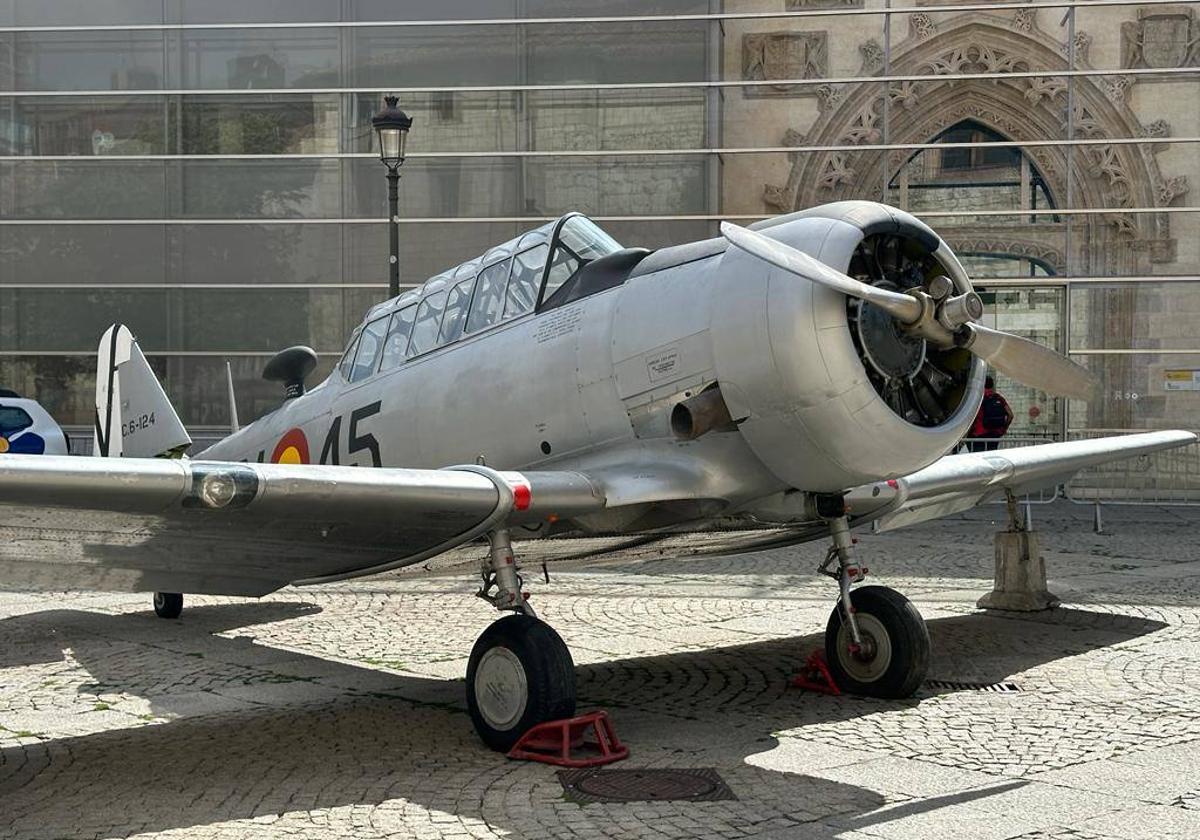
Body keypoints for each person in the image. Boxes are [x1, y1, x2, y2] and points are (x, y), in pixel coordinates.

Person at [967, 375, 1014, 452]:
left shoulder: (978, 398)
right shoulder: (998, 398)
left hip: (979, 434)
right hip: (994, 434)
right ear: (992, 385)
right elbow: (1011, 415)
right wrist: (1003, 429)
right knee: (991, 457)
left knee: (977, 458)